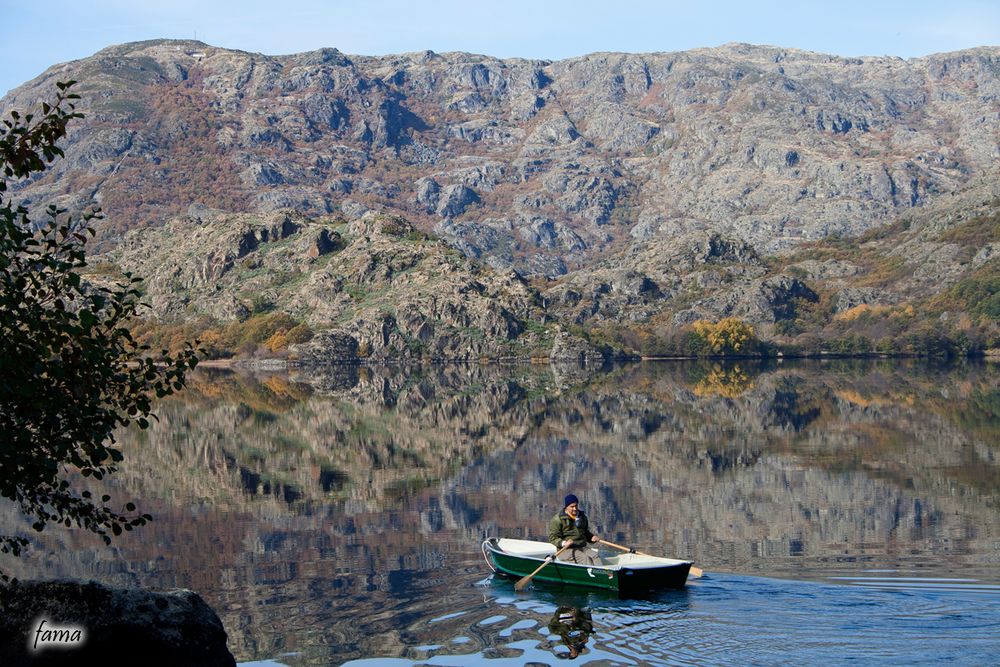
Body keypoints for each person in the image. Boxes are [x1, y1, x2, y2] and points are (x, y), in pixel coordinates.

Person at [548, 494, 602, 566]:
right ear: (566, 507)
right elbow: (552, 538)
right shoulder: (558, 520)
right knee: (584, 558)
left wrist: (591, 537)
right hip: (565, 550)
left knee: (595, 556)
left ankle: (603, 574)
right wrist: (564, 543)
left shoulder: (582, 517)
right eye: (572, 507)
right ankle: (591, 575)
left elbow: (585, 532)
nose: (575, 509)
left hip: (581, 547)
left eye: (576, 506)